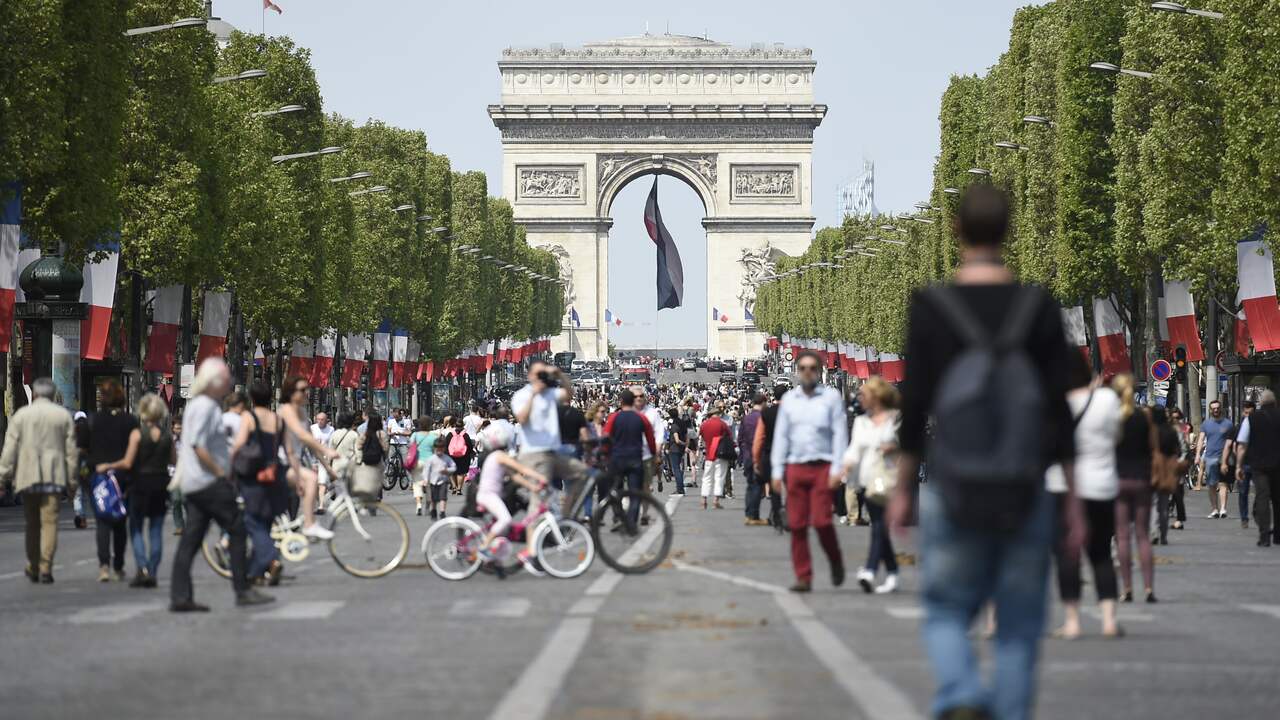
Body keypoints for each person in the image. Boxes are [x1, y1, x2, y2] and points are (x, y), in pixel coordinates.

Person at [888, 185, 1080, 720]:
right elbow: (1059, 410)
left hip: (954, 482)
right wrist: (1073, 493)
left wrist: (903, 488)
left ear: (955, 230)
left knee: (946, 610)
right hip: (1024, 483)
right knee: (1019, 627)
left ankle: (962, 692)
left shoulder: (931, 306)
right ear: (1009, 230)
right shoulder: (1038, 304)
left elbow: (916, 403)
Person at [170, 359, 274, 611]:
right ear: (214, 381)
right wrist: (220, 473)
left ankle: (180, 597)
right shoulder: (206, 407)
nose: (229, 382)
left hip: (195, 483)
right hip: (208, 483)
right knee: (238, 530)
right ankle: (242, 589)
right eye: (226, 378)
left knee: (191, 540)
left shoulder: (198, 405)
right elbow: (197, 444)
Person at [1049, 351, 1122, 639]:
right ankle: (1109, 621)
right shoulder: (1106, 399)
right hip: (1102, 484)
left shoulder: (1054, 404)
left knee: (1068, 556)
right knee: (1102, 553)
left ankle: (1072, 621)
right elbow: (1117, 436)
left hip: (1061, 487)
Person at [771, 350, 848, 593]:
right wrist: (776, 470)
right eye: (802, 368)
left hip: (823, 467)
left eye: (812, 368)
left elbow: (839, 435)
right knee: (797, 524)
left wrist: (838, 468)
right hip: (795, 466)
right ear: (797, 371)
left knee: (823, 522)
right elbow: (781, 437)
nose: (807, 372)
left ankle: (835, 559)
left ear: (819, 370)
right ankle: (803, 576)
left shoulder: (832, 397)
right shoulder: (790, 401)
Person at [0, 377, 78, 584]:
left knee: (32, 524)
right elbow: (71, 453)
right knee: (50, 523)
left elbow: (9, 449)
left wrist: (2, 477)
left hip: (28, 477)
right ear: (52, 395)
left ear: (34, 394)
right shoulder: (62, 416)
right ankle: (46, 566)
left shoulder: (21, 416)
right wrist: (72, 482)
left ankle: (33, 565)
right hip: (53, 477)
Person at [99, 393, 175, 588]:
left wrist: (108, 464)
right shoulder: (168, 437)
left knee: (136, 527)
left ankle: (142, 567)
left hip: (140, 484)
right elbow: (174, 461)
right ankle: (153, 571)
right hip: (160, 484)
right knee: (156, 530)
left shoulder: (137, 434)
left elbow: (127, 462)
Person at [840, 377, 901, 594]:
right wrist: (845, 465)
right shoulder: (861, 422)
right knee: (879, 527)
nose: (860, 398)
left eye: (864, 395)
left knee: (879, 526)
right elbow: (854, 448)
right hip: (866, 480)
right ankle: (893, 572)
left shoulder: (895, 419)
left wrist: (892, 447)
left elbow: (903, 444)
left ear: (876, 397)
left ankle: (870, 570)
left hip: (887, 480)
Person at [229, 381, 286, 586]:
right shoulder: (279, 420)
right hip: (275, 474)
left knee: (252, 521)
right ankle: (256, 572)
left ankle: (273, 559)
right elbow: (288, 452)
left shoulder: (249, 417)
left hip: (253, 476)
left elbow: (238, 445)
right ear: (271, 397)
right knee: (266, 522)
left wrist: (228, 468)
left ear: (252, 398)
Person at [473, 423, 548, 572]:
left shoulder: (496, 456)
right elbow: (521, 469)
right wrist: (540, 476)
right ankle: (484, 547)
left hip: (491, 495)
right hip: (488, 496)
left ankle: (493, 559)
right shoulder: (500, 456)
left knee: (504, 530)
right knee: (505, 520)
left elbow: (514, 476)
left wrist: (532, 487)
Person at [512, 361, 587, 508]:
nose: (541, 378)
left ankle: (565, 511)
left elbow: (569, 394)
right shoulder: (522, 395)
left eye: (543, 374)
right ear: (529, 375)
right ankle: (534, 529)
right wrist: (533, 395)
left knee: (584, 474)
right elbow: (521, 418)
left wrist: (560, 374)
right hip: (534, 454)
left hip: (553, 451)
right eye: (538, 374)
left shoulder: (550, 393)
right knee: (539, 501)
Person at [1111, 374, 1159, 603]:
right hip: (1141, 479)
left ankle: (1127, 589)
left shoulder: (1112, 418)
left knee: (1122, 536)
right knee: (1142, 535)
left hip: (1118, 479)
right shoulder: (1144, 417)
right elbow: (1152, 448)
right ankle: (1149, 588)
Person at [87, 379, 138, 582]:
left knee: (102, 521)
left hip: (99, 476)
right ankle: (118, 566)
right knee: (119, 521)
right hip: (123, 477)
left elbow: (84, 447)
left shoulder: (94, 420)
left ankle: (104, 566)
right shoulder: (130, 421)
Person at [277, 376, 340, 539]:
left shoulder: (302, 412)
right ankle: (309, 524)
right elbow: (302, 435)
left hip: (294, 463)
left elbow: (311, 444)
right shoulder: (286, 410)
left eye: (308, 389)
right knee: (311, 479)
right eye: (302, 390)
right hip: (279, 463)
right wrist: (327, 449)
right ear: (291, 393)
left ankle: (301, 523)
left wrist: (328, 468)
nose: (307, 393)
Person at [1233, 390, 1280, 547]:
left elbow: (1242, 445)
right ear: (1275, 403)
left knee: (1262, 498)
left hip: (1259, 466)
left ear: (1261, 403)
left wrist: (1239, 466)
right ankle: (1278, 535)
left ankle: (1264, 535)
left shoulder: (1251, 419)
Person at [603, 389, 658, 524]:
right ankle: (632, 521)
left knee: (616, 490)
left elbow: (605, 437)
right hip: (635, 458)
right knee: (635, 493)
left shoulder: (613, 418)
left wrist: (606, 454)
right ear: (633, 401)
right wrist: (652, 454)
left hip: (617, 458)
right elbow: (651, 439)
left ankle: (619, 515)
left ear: (620, 402)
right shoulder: (641, 418)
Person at [753, 384, 788, 532]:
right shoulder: (793, 412)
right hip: (790, 454)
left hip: (771, 453)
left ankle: (777, 516)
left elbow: (759, 438)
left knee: (774, 488)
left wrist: (756, 459)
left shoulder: (766, 413)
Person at [1197, 400, 1234, 517]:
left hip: (1224, 458)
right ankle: (1214, 509)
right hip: (1210, 457)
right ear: (1210, 410)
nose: (1216, 410)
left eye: (1218, 408)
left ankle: (1223, 509)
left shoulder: (1228, 424)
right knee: (1212, 485)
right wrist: (1198, 454)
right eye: (1213, 408)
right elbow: (1201, 439)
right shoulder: (1206, 424)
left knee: (1223, 484)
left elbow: (1232, 441)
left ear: (1221, 408)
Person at [1224, 400, 1256, 529]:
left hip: (1256, 463)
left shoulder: (1258, 425)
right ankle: (1244, 518)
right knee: (1243, 492)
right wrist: (1226, 462)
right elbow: (1229, 445)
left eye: (1250, 413)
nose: (1247, 415)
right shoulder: (1237, 427)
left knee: (1261, 491)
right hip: (1243, 463)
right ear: (1243, 412)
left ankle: (1256, 510)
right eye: (1246, 412)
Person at [698, 404, 733, 510]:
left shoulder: (704, 424)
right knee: (719, 477)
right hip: (721, 453)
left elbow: (702, 436)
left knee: (707, 477)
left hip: (709, 454)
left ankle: (703, 500)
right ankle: (715, 501)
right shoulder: (722, 424)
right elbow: (730, 437)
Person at [739, 394, 766, 525]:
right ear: (763, 403)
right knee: (757, 486)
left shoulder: (746, 418)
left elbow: (740, 439)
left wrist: (743, 453)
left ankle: (748, 513)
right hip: (759, 455)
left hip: (747, 455)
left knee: (750, 485)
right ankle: (753, 515)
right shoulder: (763, 417)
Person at [410, 417, 439, 516]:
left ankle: (419, 505)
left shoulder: (415, 435)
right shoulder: (433, 436)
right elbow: (436, 450)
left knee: (417, 483)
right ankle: (428, 506)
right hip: (430, 462)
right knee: (430, 486)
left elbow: (410, 446)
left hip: (417, 462)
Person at [422, 437, 456, 520]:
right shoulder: (431, 459)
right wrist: (425, 480)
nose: (439, 450)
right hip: (433, 481)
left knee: (443, 497)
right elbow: (426, 470)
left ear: (444, 448)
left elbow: (454, 467)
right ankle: (433, 510)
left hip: (443, 481)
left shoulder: (446, 458)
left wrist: (447, 470)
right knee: (433, 498)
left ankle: (442, 512)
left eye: (441, 448)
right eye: (437, 449)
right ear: (434, 448)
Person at [310, 411, 335, 513]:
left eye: (322, 419)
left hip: (324, 459)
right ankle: (321, 500)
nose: (320, 421)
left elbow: (332, 444)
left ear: (326, 420)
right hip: (313, 458)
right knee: (314, 483)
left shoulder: (331, 429)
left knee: (322, 482)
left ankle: (321, 506)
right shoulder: (312, 428)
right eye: (318, 419)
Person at [444, 418, 474, 496]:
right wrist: (471, 453)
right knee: (460, 472)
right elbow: (469, 446)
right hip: (463, 456)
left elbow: (446, 445)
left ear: (455, 425)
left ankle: (454, 486)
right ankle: (459, 489)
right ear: (463, 426)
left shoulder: (450, 434)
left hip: (451, 455)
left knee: (452, 472)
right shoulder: (465, 435)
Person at [665, 408, 689, 496]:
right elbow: (686, 435)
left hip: (675, 448)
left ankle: (680, 488)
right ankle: (680, 487)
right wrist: (686, 444)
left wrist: (683, 444)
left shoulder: (674, 425)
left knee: (676, 469)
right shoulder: (682, 423)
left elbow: (677, 440)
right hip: (681, 449)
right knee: (679, 468)